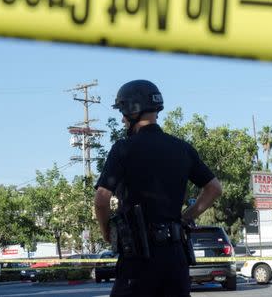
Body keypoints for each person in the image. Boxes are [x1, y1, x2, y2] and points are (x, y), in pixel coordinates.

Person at [94, 80, 222, 297]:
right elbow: (214, 189)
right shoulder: (182, 148)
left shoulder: (123, 149)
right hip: (175, 258)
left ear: (132, 109)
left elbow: (101, 199)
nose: (123, 119)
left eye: (123, 112)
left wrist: (107, 232)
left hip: (138, 258)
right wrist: (184, 218)